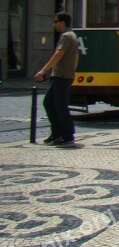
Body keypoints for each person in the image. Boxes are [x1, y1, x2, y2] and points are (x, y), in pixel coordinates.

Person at [35, 12, 78, 146]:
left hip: (62, 76)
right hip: (62, 75)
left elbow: (58, 54)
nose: (54, 24)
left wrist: (43, 70)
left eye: (55, 21)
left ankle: (66, 134)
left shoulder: (66, 36)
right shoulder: (70, 35)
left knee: (60, 105)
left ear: (63, 22)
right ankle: (58, 132)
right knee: (49, 103)